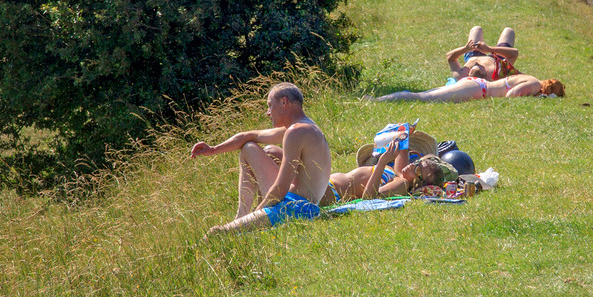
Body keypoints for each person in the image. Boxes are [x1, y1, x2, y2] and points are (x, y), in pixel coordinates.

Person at [190, 82, 331, 235]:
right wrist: (212, 149)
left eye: (270, 105)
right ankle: (241, 218)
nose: (268, 112)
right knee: (262, 149)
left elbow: (280, 189)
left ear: (284, 102)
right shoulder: (304, 127)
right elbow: (249, 136)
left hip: (296, 207)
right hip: (304, 204)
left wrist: (256, 213)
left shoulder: (296, 132)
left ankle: (241, 217)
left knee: (216, 233)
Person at [319, 140, 462, 203]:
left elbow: (368, 198)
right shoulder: (400, 173)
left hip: (332, 192)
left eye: (417, 168)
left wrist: (381, 162)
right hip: (327, 183)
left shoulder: (403, 183)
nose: (412, 165)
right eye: (416, 162)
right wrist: (403, 134)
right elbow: (401, 148)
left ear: (418, 183)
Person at [375, 74, 565, 102]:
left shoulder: (531, 78)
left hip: (477, 84)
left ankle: (380, 99)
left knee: (425, 95)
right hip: (479, 89)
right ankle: (376, 100)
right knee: (422, 98)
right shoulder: (533, 85)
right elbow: (510, 96)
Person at [447, 26, 519, 81]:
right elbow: (514, 53)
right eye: (481, 67)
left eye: (472, 67)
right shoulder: (496, 72)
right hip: (496, 58)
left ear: (468, 74)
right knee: (509, 31)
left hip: (472, 55)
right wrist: (490, 49)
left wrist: (465, 49)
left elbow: (450, 57)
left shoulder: (461, 76)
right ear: (485, 74)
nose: (477, 63)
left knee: (476, 29)